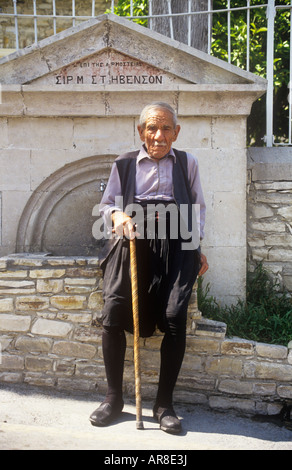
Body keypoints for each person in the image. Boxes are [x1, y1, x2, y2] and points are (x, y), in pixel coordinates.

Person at [90, 102, 208, 434]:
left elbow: (197, 208)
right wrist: (117, 215)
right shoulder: (125, 163)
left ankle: (164, 404)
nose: (159, 136)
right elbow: (107, 203)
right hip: (131, 242)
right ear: (141, 131)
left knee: (174, 317)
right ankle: (113, 399)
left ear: (176, 132)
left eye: (166, 128)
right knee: (113, 312)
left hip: (177, 242)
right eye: (152, 129)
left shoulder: (187, 163)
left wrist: (196, 246)